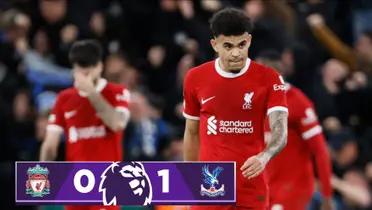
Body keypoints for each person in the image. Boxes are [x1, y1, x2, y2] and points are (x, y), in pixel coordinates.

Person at [183, 8, 288, 210]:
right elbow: (191, 131)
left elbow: (280, 131)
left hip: (250, 186)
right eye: (228, 46)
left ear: (249, 40)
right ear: (215, 45)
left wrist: (264, 156)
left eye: (242, 44)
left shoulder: (269, 78)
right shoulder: (195, 78)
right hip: (210, 185)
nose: (236, 53)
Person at [39, 39, 130, 210]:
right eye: (80, 70)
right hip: (77, 186)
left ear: (99, 67)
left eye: (89, 71)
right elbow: (50, 144)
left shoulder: (117, 92)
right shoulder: (64, 98)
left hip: (107, 184)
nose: (84, 75)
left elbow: (116, 123)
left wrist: (91, 93)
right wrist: (41, 173)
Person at [256, 50, 333, 210]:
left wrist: (327, 195)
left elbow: (320, 151)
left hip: (293, 187)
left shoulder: (297, 102)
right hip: (262, 187)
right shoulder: (248, 103)